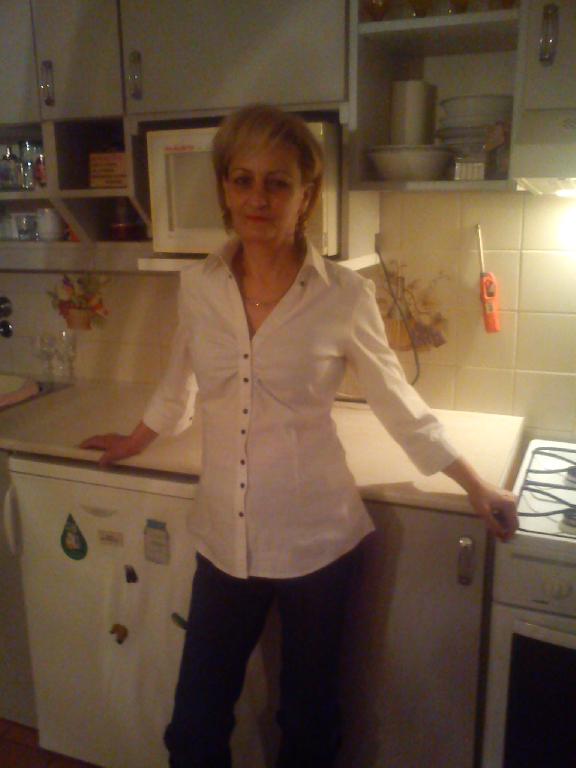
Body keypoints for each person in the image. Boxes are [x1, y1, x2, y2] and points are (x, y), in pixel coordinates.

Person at [80, 104, 518, 768]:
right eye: (243, 180)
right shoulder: (198, 288)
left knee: (310, 726)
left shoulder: (343, 295)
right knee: (194, 727)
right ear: (225, 188)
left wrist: (475, 485)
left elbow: (398, 402)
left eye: (277, 182)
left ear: (306, 194)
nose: (258, 198)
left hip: (318, 544)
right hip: (224, 543)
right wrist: (134, 440)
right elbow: (179, 382)